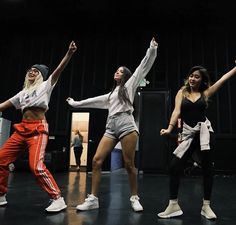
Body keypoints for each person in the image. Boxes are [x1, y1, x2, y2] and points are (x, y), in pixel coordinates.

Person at [66, 37, 158, 212]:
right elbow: (93, 101)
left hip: (126, 124)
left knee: (129, 163)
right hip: (111, 126)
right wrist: (75, 103)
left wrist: (152, 48)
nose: (117, 72)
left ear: (126, 76)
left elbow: (143, 67)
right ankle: (93, 199)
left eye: (120, 71)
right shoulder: (110, 95)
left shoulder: (129, 86)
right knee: (96, 160)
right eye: (116, 70)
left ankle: (134, 197)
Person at [0, 41, 77, 212]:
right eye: (30, 70)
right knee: (1, 160)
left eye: (36, 71)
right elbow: (2, 106)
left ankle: (57, 198)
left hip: (37, 129)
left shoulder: (45, 86)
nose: (31, 72)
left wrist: (69, 53)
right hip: (22, 129)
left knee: (36, 166)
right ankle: (1, 195)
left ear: (41, 75)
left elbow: (59, 70)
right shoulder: (22, 93)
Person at [158, 61, 236, 219]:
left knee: (208, 169)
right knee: (174, 167)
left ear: (202, 80)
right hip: (188, 134)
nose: (193, 79)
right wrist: (169, 128)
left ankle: (206, 206)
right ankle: (173, 205)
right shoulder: (182, 92)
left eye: (197, 77)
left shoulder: (205, 93)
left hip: (204, 134)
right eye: (191, 76)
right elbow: (176, 111)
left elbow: (222, 79)